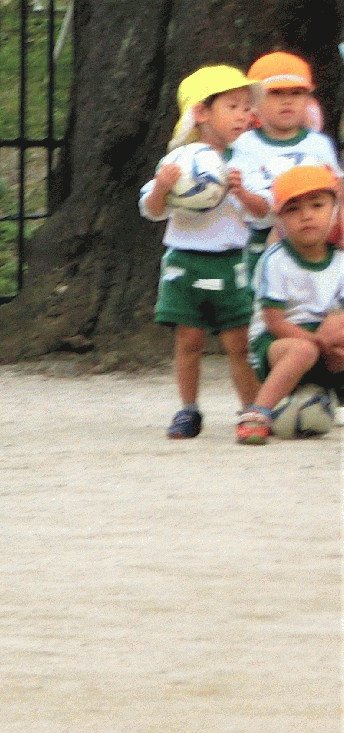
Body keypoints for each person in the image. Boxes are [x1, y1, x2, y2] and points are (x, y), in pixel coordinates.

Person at [142, 65, 265, 438]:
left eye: (247, 107)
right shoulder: (179, 162)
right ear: (202, 112)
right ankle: (188, 410)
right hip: (184, 259)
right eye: (233, 106)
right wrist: (163, 188)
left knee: (238, 342)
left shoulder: (246, 158)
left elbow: (264, 212)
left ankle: (251, 411)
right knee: (189, 340)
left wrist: (242, 193)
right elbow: (151, 209)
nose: (244, 114)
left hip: (231, 261)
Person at [238, 164, 344, 444]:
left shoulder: (340, 261)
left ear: (335, 213)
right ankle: (257, 412)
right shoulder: (276, 260)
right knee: (303, 350)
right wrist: (321, 344)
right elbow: (275, 321)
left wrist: (335, 341)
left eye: (317, 205)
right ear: (280, 221)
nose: (307, 216)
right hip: (276, 343)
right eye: (293, 209)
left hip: (320, 337)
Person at [229, 52, 342, 267]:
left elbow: (336, 192)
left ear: (308, 99)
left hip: (317, 242)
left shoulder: (318, 143)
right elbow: (252, 207)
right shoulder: (246, 144)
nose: (287, 101)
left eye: (297, 93)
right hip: (262, 242)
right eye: (276, 93)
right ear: (254, 101)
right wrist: (243, 194)